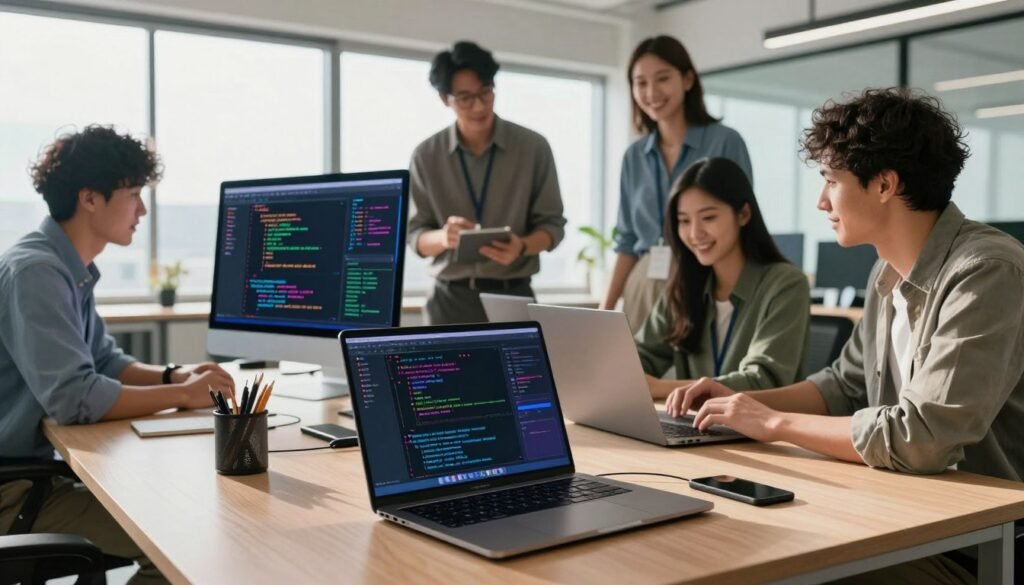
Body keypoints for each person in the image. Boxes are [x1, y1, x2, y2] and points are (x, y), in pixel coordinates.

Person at [666, 89, 1024, 584]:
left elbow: (923, 437)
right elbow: (844, 385)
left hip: (980, 542)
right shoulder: (887, 272)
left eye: (831, 181)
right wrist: (740, 402)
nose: (820, 201)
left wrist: (773, 423)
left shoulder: (986, 271)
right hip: (905, 509)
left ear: (884, 185)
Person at [0, 125, 236, 585]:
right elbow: (75, 397)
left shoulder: (67, 265)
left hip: (32, 476)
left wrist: (174, 376)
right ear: (90, 198)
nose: (142, 209)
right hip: (11, 492)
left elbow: (104, 362)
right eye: (133, 194)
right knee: (181, 549)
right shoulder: (38, 272)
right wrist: (186, 396)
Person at [407, 41, 566, 324]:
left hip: (513, 294)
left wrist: (522, 246)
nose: (479, 105)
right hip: (448, 301)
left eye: (485, 92)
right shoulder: (426, 155)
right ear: (445, 99)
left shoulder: (533, 147)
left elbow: (553, 226)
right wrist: (444, 237)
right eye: (465, 97)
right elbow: (415, 236)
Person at [601, 35, 752, 333]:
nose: (651, 92)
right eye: (640, 83)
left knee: (699, 376)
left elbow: (742, 221)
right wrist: (602, 315)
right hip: (645, 280)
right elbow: (628, 242)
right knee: (639, 374)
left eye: (662, 79)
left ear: (687, 80)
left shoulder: (724, 141)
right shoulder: (634, 155)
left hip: (708, 274)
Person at [636, 157, 809, 399]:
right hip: (694, 429)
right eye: (684, 221)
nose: (695, 233)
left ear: (743, 214)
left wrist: (662, 387)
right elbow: (638, 357)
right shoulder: (684, 287)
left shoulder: (786, 285)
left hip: (755, 432)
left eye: (708, 218)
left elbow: (763, 379)